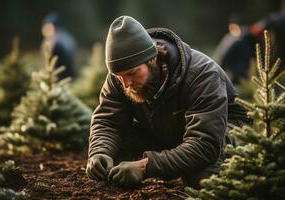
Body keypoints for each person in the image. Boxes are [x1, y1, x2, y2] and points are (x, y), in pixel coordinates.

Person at [86, 16, 249, 188]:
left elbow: (204, 144)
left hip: (222, 133)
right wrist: (100, 152)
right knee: (112, 156)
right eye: (119, 77)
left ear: (152, 59)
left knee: (203, 178)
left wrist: (145, 167)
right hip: (170, 131)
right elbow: (108, 121)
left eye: (133, 73)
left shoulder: (201, 74)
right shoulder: (121, 76)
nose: (126, 84)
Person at [41, 12, 76, 80]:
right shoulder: (46, 41)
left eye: (49, 28)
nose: (45, 31)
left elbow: (69, 57)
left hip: (64, 77)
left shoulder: (62, 40)